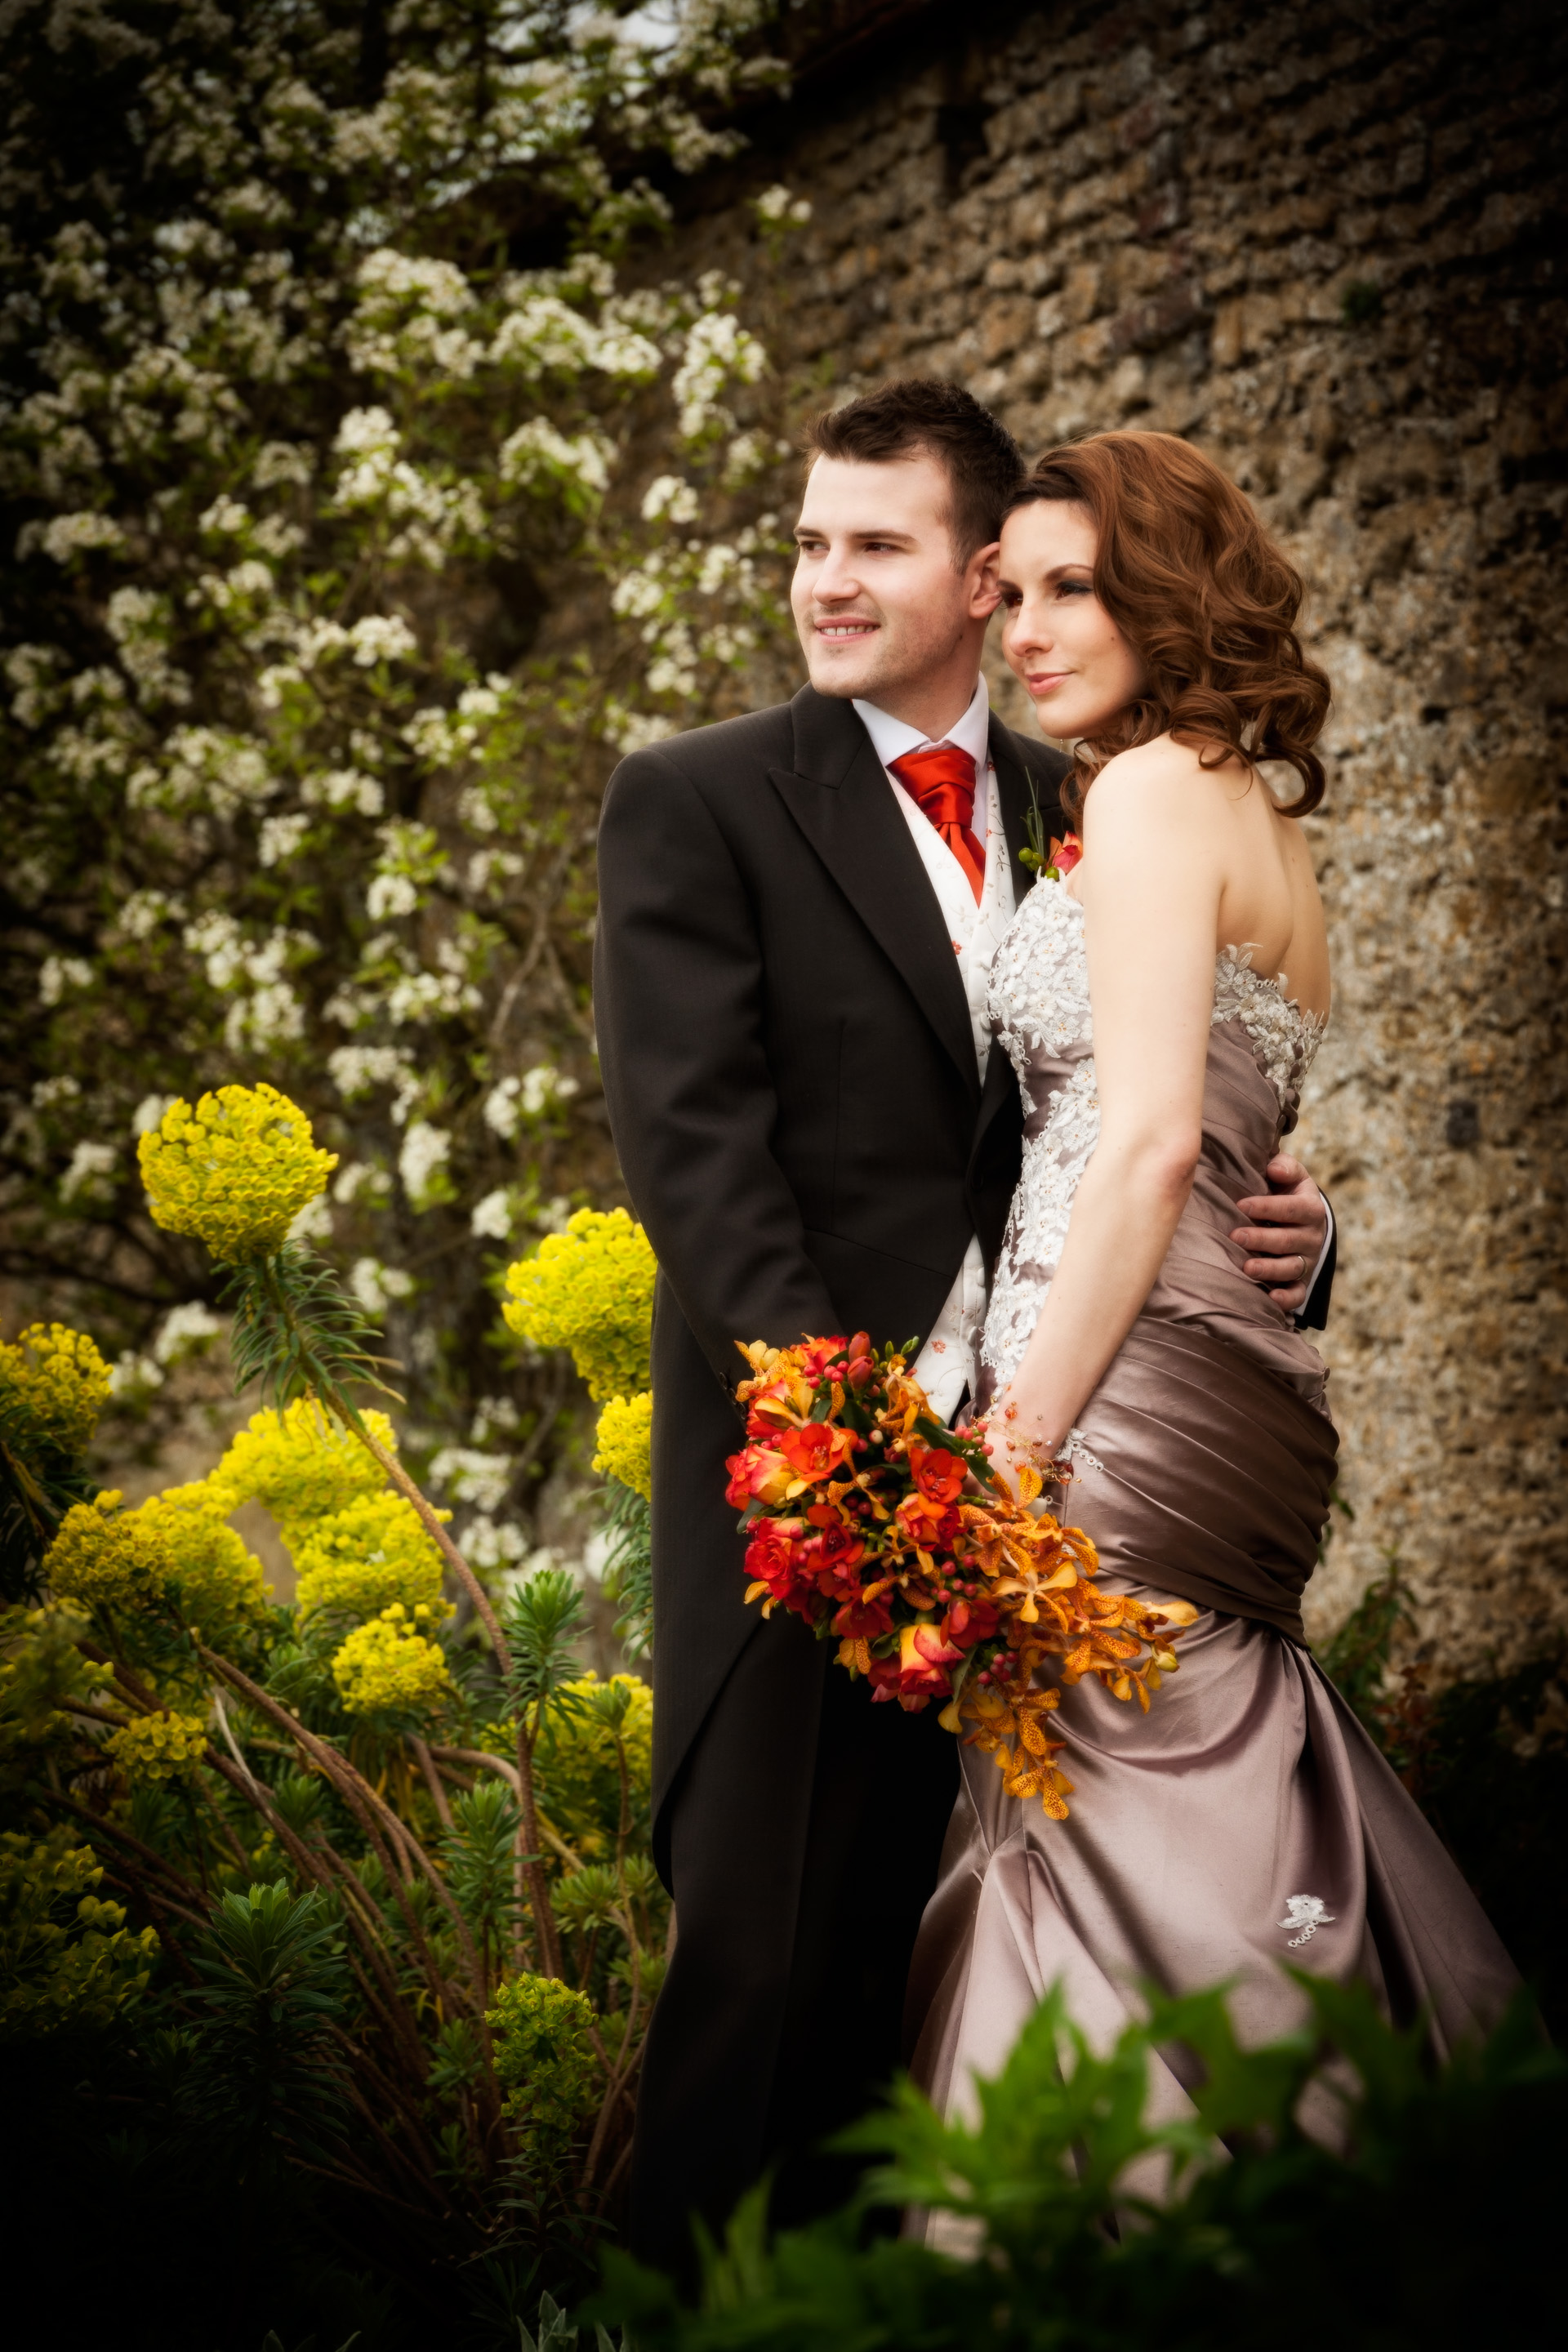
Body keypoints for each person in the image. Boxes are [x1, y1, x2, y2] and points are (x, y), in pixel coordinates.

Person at [592, 383, 1333, 2278]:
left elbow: (1145, 1112)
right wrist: (853, 1449)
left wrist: (1288, 1235)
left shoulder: (1086, 790)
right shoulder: (699, 796)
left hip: (1054, 1467)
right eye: (807, 543)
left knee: (961, 1961)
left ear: (977, 569)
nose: (824, 582)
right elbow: (700, 1160)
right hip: (816, 1488)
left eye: (878, 546)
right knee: (763, 1974)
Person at [903, 430, 1519, 2150]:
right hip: (1219, 1373)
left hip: (1114, 1403)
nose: (1020, 626)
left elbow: (1158, 1140)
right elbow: (1233, 1131)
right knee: (1181, 1801)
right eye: (1007, 592)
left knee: (1108, 1815)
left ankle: (1172, 2231)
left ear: (1167, 593)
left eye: (1071, 589)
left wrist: (1011, 1448)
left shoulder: (1157, 791)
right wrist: (1305, 1240)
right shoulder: (1233, 806)